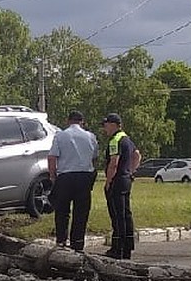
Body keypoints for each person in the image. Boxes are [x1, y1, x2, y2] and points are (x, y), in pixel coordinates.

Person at [47, 110, 98, 252]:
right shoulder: (90, 137)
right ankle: (78, 243)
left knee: (62, 210)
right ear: (82, 122)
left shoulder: (60, 135)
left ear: (68, 121)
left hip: (66, 176)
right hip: (84, 176)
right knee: (81, 211)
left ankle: (61, 241)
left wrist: (52, 176)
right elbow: (94, 157)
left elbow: (52, 157)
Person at [101, 112, 141, 259]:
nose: (104, 128)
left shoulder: (114, 140)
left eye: (106, 125)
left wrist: (108, 181)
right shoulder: (127, 139)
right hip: (126, 179)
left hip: (117, 181)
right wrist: (131, 170)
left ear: (113, 124)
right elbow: (137, 155)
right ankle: (128, 247)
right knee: (126, 214)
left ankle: (118, 249)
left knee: (117, 216)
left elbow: (114, 163)